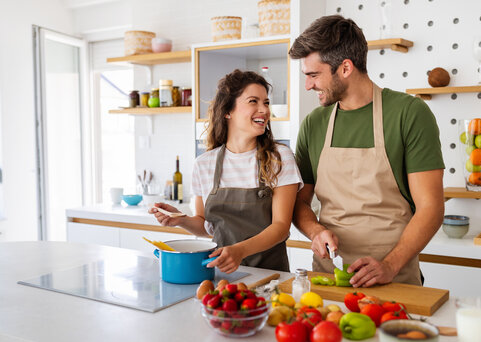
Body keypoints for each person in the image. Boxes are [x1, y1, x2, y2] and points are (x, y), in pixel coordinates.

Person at [289, 15, 445, 287]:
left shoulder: (408, 114)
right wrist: (315, 231)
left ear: (346, 68)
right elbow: (299, 202)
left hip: (394, 278)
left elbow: (431, 207)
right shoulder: (314, 124)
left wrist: (389, 265)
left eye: (314, 75)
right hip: (329, 277)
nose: (308, 85)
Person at [150, 69, 303, 273]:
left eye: (266, 102)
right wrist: (181, 220)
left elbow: (281, 227)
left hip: (270, 276)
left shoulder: (280, 158)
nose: (264, 110)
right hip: (221, 274)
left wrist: (239, 251)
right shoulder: (204, 164)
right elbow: (206, 227)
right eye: (253, 101)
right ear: (228, 111)